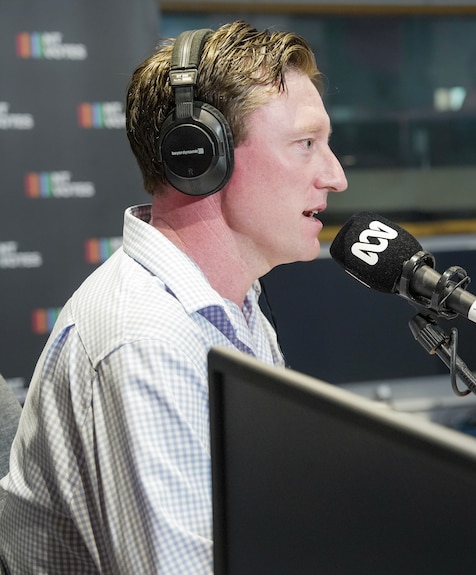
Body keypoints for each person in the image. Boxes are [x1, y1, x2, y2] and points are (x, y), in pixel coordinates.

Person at [0, 21, 347, 572]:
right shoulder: (147, 340)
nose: (335, 176)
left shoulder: (234, 303)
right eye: (306, 145)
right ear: (199, 157)